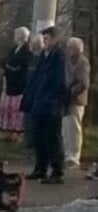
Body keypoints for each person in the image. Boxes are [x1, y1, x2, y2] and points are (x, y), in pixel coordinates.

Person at [26, 26, 68, 184]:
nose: (44, 42)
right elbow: (37, 79)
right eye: (43, 39)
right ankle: (40, 168)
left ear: (55, 39)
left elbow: (61, 81)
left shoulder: (59, 56)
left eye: (47, 39)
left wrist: (52, 99)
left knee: (53, 138)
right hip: (40, 102)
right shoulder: (45, 56)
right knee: (39, 137)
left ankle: (58, 171)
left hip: (52, 104)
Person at [0, 27, 33, 142]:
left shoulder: (26, 50)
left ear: (21, 36)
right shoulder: (14, 49)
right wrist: (7, 65)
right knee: (9, 109)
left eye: (16, 34)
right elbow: (6, 60)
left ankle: (17, 134)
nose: (14, 36)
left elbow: (19, 65)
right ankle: (9, 132)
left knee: (17, 110)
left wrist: (9, 65)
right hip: (10, 83)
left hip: (19, 86)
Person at [62, 37, 90, 169]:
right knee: (66, 128)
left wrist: (71, 91)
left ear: (77, 48)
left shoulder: (82, 62)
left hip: (77, 100)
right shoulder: (68, 60)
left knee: (74, 128)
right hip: (67, 98)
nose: (68, 50)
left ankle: (73, 157)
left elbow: (83, 83)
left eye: (70, 47)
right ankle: (66, 153)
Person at [20, 34, 44, 149]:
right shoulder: (31, 58)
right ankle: (28, 142)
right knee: (27, 119)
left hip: (37, 94)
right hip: (28, 93)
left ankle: (34, 143)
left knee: (34, 121)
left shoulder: (42, 59)